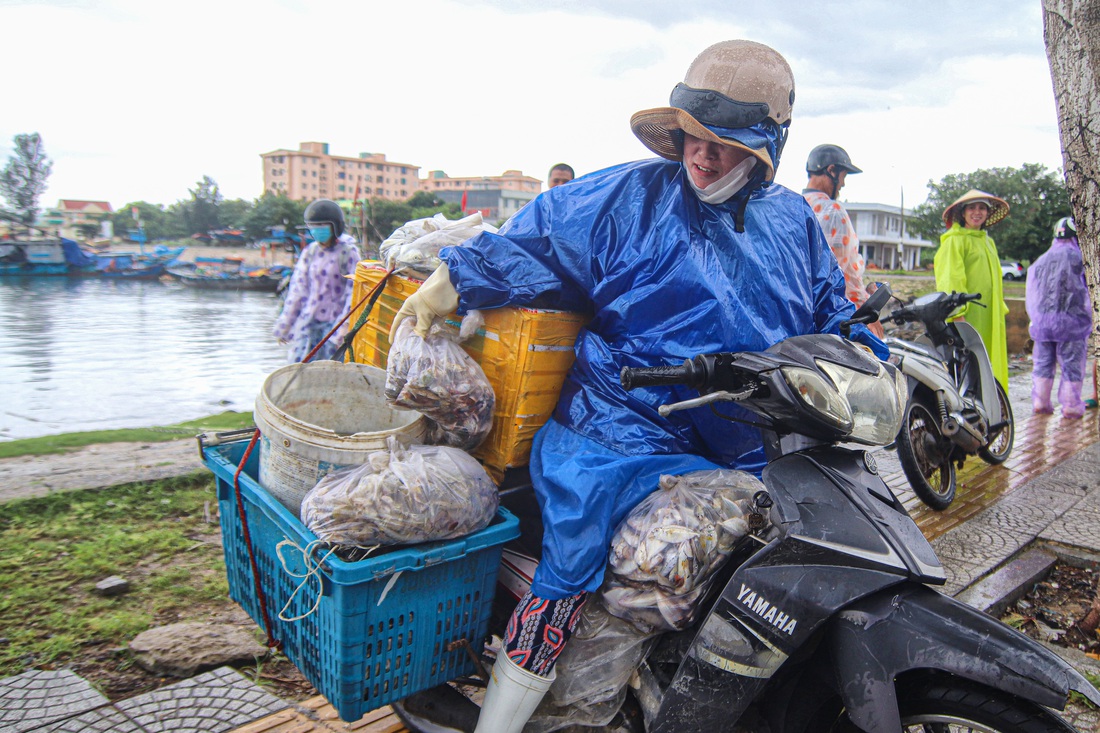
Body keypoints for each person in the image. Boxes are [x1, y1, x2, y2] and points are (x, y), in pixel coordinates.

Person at [391, 40, 886, 733]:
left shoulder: (792, 222)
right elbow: (536, 242)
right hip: (618, 431)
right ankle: (501, 722)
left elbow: (827, 308)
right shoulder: (629, 197)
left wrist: (861, 350)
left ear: (767, 149)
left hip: (744, 438)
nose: (702, 156)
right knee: (572, 573)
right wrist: (451, 282)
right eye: (693, 137)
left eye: (724, 144)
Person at [802, 144, 884, 337]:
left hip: (800, 315)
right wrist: (866, 314)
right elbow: (844, 273)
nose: (843, 184)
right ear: (831, 170)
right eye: (843, 176)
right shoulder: (833, 212)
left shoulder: (793, 206)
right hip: (833, 317)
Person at [933, 189, 1011, 389]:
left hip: (989, 318)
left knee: (989, 366)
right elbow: (951, 280)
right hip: (968, 318)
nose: (977, 212)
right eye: (972, 208)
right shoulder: (954, 241)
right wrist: (958, 316)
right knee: (969, 369)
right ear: (963, 213)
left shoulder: (988, 241)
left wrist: (1000, 311)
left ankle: (992, 412)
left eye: (982, 208)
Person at [272, 199, 361, 363]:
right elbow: (298, 291)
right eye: (313, 226)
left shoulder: (348, 252)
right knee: (298, 371)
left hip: (334, 329)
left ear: (335, 226)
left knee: (330, 376)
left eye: (322, 226)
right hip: (308, 325)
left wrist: (343, 329)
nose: (317, 230)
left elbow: (354, 294)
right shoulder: (310, 252)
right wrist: (285, 325)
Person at [1026, 217, 1093, 419]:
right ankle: (1071, 405)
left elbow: (1033, 292)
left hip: (1043, 323)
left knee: (1043, 364)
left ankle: (1040, 402)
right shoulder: (1081, 259)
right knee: (1072, 365)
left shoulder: (1042, 260)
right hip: (1072, 324)